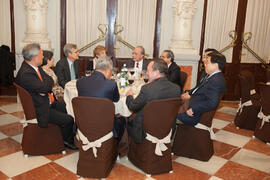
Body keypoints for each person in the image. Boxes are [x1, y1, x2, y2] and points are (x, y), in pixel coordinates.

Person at [15, 43, 77, 150]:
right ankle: (65, 141)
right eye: (41, 54)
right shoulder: (26, 74)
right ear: (34, 57)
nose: (43, 57)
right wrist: (44, 88)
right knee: (68, 119)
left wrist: (44, 88)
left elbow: (50, 81)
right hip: (40, 109)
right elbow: (46, 87)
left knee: (70, 106)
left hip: (47, 101)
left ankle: (69, 134)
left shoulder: (35, 67)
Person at [125, 59, 181, 143]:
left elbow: (133, 106)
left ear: (156, 72)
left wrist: (129, 96)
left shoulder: (147, 89)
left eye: (148, 70)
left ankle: (125, 150)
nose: (147, 73)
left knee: (123, 120)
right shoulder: (176, 88)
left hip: (144, 132)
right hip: (167, 128)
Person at [76, 56, 124, 141]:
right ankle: (115, 147)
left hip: (83, 122)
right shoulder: (111, 84)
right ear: (109, 69)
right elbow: (116, 99)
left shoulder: (80, 82)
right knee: (122, 119)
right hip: (103, 124)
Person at [177, 52, 226, 126]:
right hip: (189, 106)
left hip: (192, 115)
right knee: (168, 107)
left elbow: (212, 102)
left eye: (207, 63)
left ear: (215, 65)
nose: (204, 65)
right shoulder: (212, 77)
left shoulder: (216, 81)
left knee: (166, 113)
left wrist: (194, 109)